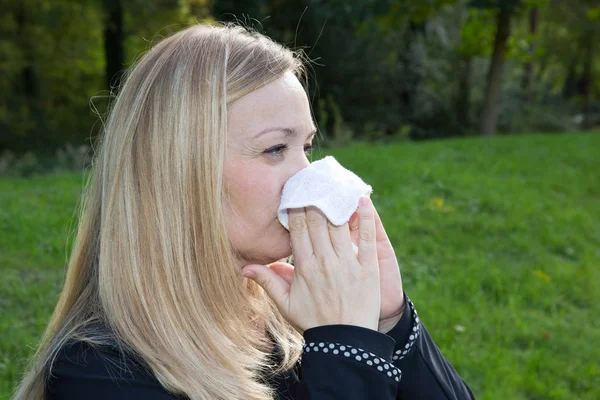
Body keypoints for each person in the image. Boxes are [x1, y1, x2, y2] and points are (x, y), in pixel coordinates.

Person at [13, 23, 475, 400]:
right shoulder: (100, 375)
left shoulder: (290, 319)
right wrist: (346, 350)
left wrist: (388, 320)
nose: (307, 177)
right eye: (275, 148)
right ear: (179, 176)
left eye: (307, 147)